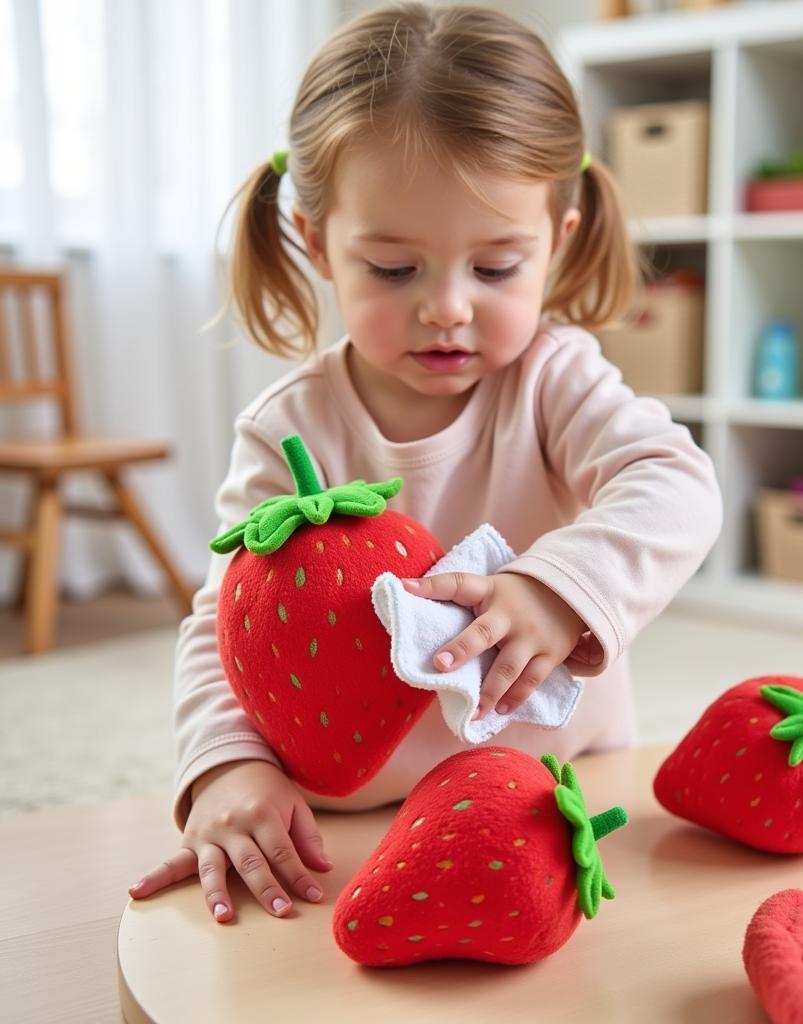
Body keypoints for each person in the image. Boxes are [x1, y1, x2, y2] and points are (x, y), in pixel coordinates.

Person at [128, 1, 721, 925]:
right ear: (320, 244)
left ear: (556, 245)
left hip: (553, 801)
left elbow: (677, 484)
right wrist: (226, 766)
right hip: (348, 825)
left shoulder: (554, 379)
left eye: (495, 269)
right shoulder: (289, 427)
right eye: (395, 269)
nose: (446, 308)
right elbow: (223, 625)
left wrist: (560, 588)